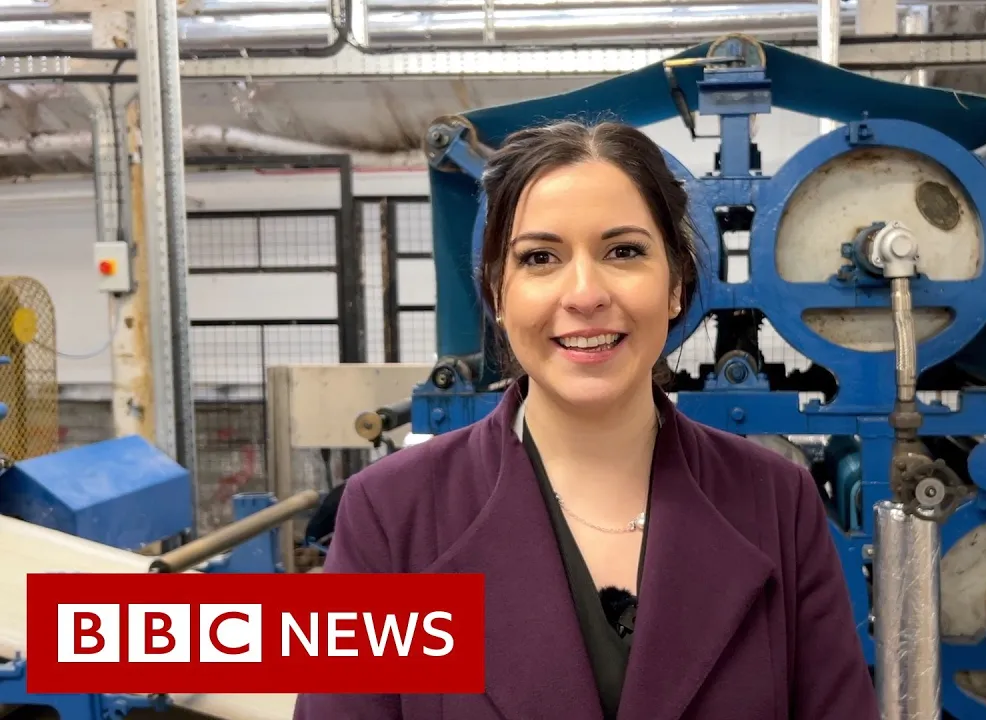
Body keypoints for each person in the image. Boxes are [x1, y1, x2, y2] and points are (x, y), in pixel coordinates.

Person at [292, 119, 877, 720]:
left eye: (624, 251)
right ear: (497, 293)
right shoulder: (391, 517)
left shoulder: (777, 504)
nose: (584, 294)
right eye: (540, 257)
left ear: (676, 285)